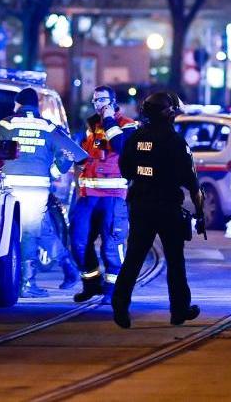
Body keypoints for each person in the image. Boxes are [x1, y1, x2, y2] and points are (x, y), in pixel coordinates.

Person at [111, 91, 204, 329]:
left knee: (133, 257)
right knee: (175, 260)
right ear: (170, 114)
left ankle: (120, 305)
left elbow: (125, 169)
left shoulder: (135, 138)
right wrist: (200, 213)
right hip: (167, 207)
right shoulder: (175, 142)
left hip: (140, 205)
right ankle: (179, 310)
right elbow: (192, 182)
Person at [0, 87, 89, 297]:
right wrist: (55, 170)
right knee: (39, 230)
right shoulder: (49, 127)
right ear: (37, 106)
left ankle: (27, 284)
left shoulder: (4, 125)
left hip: (9, 190)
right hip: (37, 191)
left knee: (24, 234)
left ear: (17, 105)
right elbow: (78, 156)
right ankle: (69, 268)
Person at [70, 86, 138, 303]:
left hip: (113, 196)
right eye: (95, 101)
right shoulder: (91, 127)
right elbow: (88, 156)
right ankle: (91, 284)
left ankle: (113, 289)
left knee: (112, 244)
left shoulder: (128, 125)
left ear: (113, 100)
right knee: (79, 242)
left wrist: (110, 120)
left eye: (102, 100)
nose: (98, 104)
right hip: (88, 195)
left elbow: (121, 146)